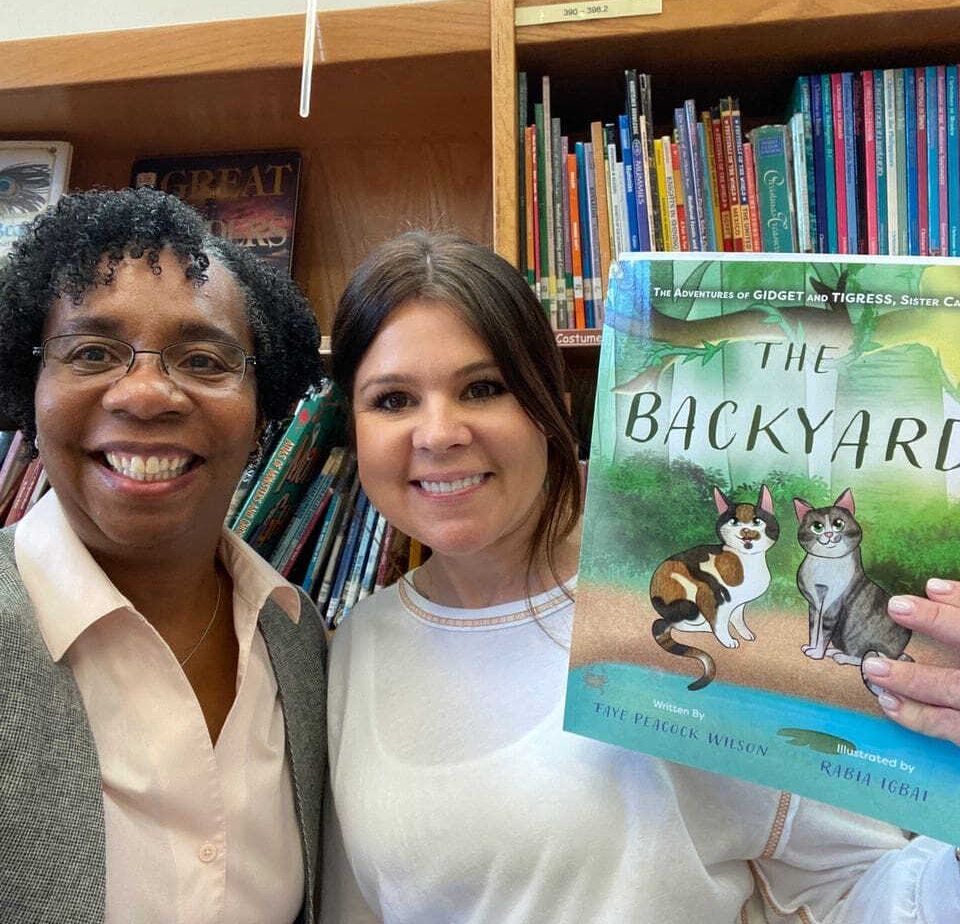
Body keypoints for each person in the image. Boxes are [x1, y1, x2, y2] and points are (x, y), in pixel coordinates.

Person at [321, 230, 960, 923]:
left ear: (553, 408)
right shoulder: (353, 645)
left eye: (484, 388)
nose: (439, 433)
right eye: (392, 400)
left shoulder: (679, 622)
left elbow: (856, 889)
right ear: (352, 429)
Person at [0, 187, 327, 924]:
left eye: (204, 359)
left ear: (262, 408)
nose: (146, 394)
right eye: (91, 352)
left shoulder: (300, 642)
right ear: (31, 387)